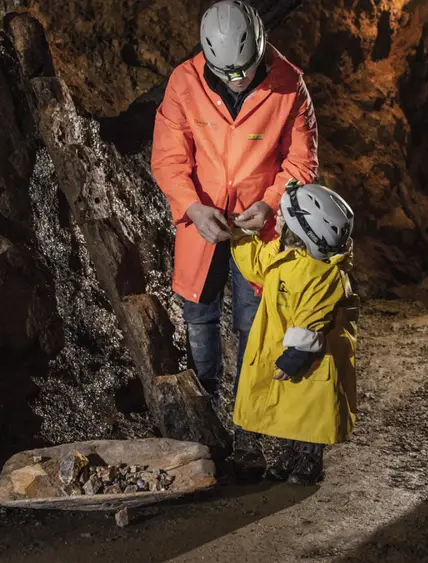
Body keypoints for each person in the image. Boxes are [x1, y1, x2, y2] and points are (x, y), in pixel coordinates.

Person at [151, 0, 318, 469]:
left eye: (245, 69)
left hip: (258, 228)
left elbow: (301, 161)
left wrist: (271, 202)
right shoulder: (184, 83)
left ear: (261, 47)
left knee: (254, 326)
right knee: (199, 318)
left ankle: (248, 434)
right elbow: (168, 158)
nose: (239, 79)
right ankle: (203, 428)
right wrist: (192, 207)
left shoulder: (289, 84)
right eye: (228, 73)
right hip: (202, 224)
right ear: (208, 58)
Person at [228, 180, 359, 485]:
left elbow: (311, 320)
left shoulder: (324, 275)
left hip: (314, 359)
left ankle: (309, 460)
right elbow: (258, 264)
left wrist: (296, 355)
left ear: (302, 231)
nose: (278, 220)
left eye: (284, 218)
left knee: (310, 411)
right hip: (286, 348)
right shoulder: (285, 254)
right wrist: (240, 235)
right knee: (291, 408)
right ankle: (288, 456)